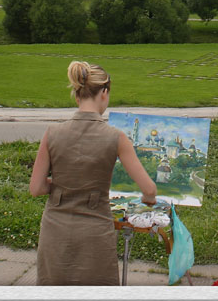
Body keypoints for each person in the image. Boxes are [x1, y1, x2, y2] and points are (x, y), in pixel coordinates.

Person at [30, 61, 157, 286]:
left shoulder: (52, 133)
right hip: (94, 233)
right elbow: (149, 189)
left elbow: (36, 188)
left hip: (55, 231)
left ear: (77, 95)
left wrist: (62, 184)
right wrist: (148, 201)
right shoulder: (116, 137)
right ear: (104, 93)